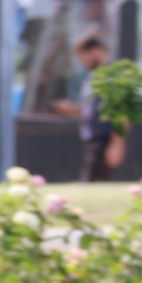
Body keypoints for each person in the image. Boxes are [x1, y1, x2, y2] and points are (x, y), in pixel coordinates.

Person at [53, 31, 125, 181]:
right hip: (92, 142)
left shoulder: (112, 76)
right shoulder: (92, 76)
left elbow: (121, 111)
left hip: (104, 140)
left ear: (95, 51)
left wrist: (117, 144)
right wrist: (71, 110)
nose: (82, 62)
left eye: (83, 56)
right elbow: (92, 110)